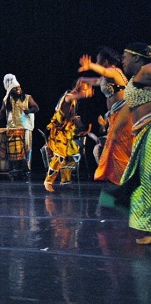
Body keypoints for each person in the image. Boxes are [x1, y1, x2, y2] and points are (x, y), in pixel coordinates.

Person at [99, 42, 151, 245]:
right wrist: (113, 134)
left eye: (126, 56)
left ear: (137, 57)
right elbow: (128, 107)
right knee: (135, 181)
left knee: (147, 180)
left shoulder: (147, 70)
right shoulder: (134, 79)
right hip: (141, 133)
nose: (122, 59)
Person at [77, 48, 131, 185]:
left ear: (105, 61)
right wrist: (82, 79)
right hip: (115, 115)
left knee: (118, 149)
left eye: (98, 60)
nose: (96, 62)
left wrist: (90, 66)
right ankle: (121, 180)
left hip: (123, 115)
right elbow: (97, 81)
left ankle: (127, 181)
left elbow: (105, 72)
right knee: (112, 149)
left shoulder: (114, 71)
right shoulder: (107, 76)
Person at [43, 81, 93, 192]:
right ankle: (48, 181)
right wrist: (83, 94)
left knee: (73, 155)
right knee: (59, 157)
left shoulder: (74, 102)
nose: (85, 92)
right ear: (77, 88)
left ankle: (65, 180)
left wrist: (77, 123)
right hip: (57, 131)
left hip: (67, 132)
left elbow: (71, 118)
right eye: (84, 89)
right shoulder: (68, 96)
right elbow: (68, 100)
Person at [0, 74, 39, 171]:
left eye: (19, 88)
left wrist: (29, 110)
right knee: (13, 150)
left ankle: (27, 169)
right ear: (10, 91)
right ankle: (15, 169)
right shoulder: (6, 100)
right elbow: (2, 113)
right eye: (15, 88)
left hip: (25, 128)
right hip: (12, 128)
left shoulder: (27, 98)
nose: (18, 90)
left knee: (26, 149)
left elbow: (36, 107)